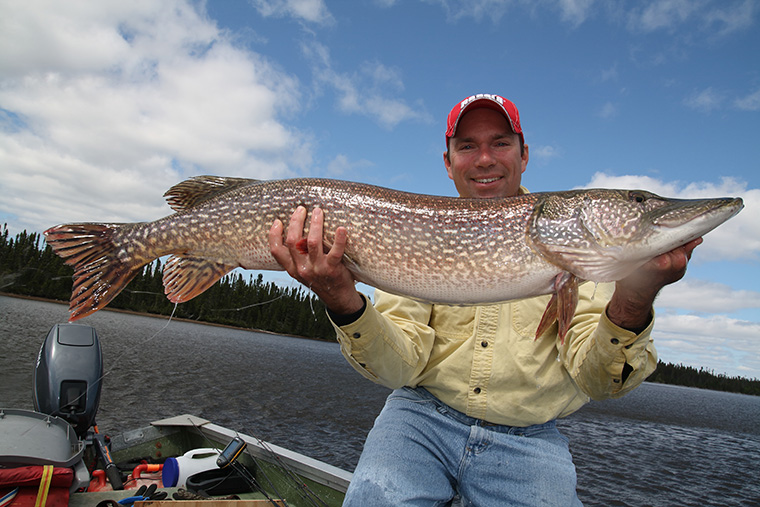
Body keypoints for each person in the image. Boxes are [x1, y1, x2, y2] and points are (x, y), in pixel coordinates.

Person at [268, 93, 701, 505]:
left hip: (529, 437)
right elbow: (397, 366)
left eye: (500, 143)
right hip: (419, 418)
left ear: (524, 154)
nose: (485, 158)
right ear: (449, 162)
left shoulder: (589, 260)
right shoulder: (417, 232)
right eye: (468, 145)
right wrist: (344, 300)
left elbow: (599, 383)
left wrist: (636, 299)